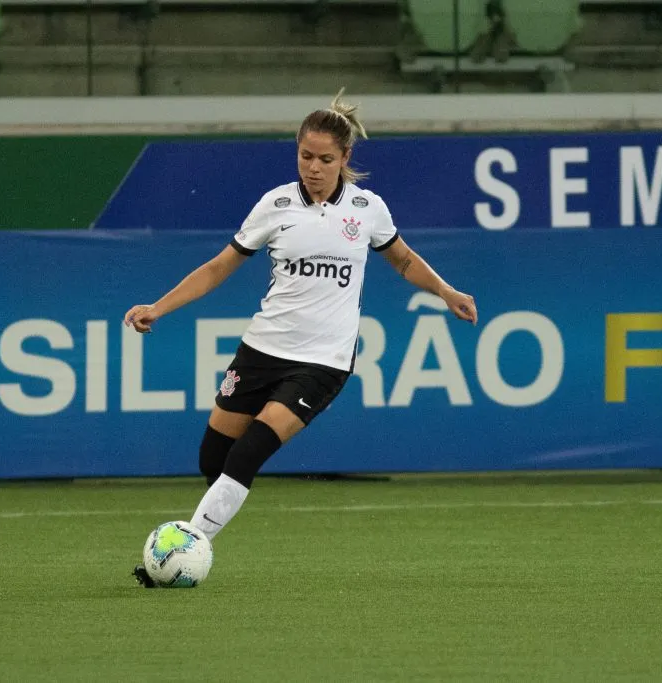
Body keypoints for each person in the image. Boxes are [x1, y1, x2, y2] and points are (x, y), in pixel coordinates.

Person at [125, 88, 477, 587]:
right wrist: (158, 307)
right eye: (305, 156)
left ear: (345, 158)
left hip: (323, 362)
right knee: (213, 458)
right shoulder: (276, 204)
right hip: (262, 349)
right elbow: (219, 267)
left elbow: (401, 259)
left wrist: (445, 291)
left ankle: (183, 552)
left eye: (325, 159)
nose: (313, 167)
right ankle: (201, 532)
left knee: (248, 453)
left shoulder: (366, 209)